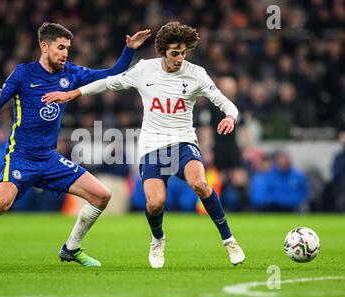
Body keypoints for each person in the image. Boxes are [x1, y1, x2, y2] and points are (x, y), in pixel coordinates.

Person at [42, 22, 245, 268]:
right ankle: (158, 240)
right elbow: (108, 82)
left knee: (200, 184)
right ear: (162, 52)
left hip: (183, 141)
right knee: (155, 202)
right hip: (152, 146)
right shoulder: (144, 70)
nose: (180, 58)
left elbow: (225, 102)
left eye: (183, 53)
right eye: (174, 54)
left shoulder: (196, 73)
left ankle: (229, 241)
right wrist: (72, 94)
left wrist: (230, 117)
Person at [0, 22, 151, 269]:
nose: (65, 53)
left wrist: (129, 49)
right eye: (61, 47)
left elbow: (112, 73)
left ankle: (71, 249)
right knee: (1, 202)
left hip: (49, 158)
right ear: (44, 46)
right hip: (22, 155)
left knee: (101, 196)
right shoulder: (23, 73)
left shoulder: (70, 73)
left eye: (67, 48)